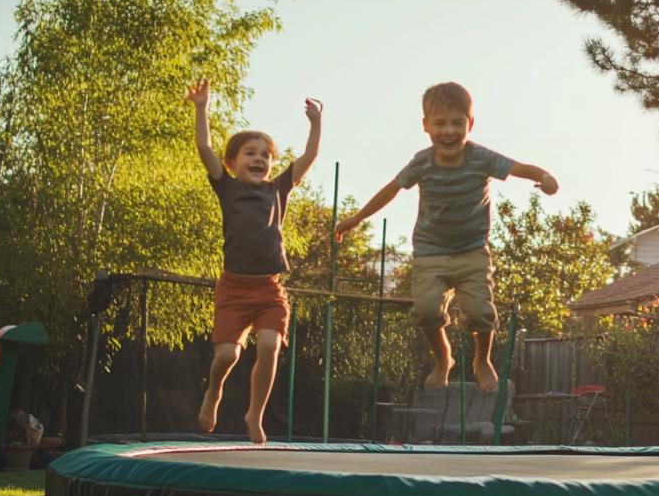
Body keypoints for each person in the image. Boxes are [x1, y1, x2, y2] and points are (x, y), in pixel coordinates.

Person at [335, 81, 557, 392]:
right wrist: (357, 218)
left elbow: (518, 167)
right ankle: (443, 358)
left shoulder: (481, 158)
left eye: (457, 122)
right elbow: (391, 189)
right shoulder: (422, 162)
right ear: (426, 126)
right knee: (425, 310)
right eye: (440, 123)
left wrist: (544, 176)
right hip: (430, 251)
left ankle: (482, 360)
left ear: (471, 123)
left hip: (472, 251)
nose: (449, 131)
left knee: (481, 313)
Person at [189, 78, 322, 445]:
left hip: (268, 289)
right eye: (250, 153)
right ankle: (214, 392)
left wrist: (315, 124)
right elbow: (204, 146)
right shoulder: (226, 187)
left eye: (265, 154)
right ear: (232, 163)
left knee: (268, 345)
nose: (259, 159)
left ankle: (254, 414)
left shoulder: (278, 189)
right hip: (233, 289)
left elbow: (309, 158)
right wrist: (202, 108)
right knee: (227, 356)